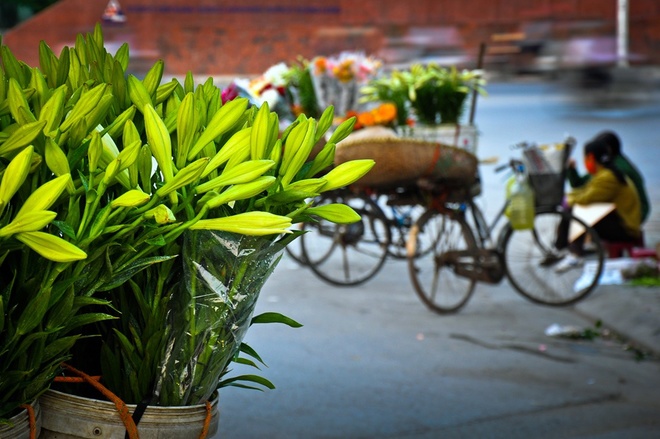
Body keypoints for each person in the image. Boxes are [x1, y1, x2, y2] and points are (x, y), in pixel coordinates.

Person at [555, 136, 642, 272]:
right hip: (620, 221)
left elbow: (586, 198)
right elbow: (583, 190)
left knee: (577, 211)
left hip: (626, 229)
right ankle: (565, 249)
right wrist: (568, 198)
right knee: (576, 208)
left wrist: (568, 201)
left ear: (590, 158)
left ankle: (573, 253)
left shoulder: (608, 177)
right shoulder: (605, 173)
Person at [566, 130, 650, 223]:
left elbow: (588, 193)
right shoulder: (608, 166)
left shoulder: (617, 169)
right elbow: (583, 185)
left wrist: (566, 200)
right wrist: (572, 170)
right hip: (626, 210)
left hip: (634, 213)